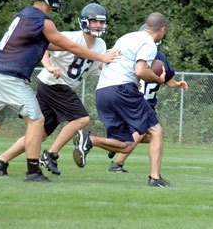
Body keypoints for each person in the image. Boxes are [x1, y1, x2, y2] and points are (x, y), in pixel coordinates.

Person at [0, 0, 118, 182]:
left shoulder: (26, 15)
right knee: (36, 121)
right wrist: (101, 57)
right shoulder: (43, 21)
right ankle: (34, 172)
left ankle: (2, 162)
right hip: (10, 75)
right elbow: (68, 45)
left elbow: (50, 45)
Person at [71, 12, 171, 187]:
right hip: (122, 89)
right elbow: (141, 71)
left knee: (125, 144)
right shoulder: (149, 43)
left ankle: (89, 140)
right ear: (162, 29)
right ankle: (155, 178)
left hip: (103, 91)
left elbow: (102, 63)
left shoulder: (127, 37)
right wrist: (158, 79)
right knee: (156, 131)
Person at [107, 49, 188, 173]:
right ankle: (118, 162)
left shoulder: (157, 60)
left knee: (152, 137)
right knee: (141, 132)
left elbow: (166, 78)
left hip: (148, 104)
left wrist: (177, 84)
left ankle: (119, 142)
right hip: (136, 102)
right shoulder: (135, 60)